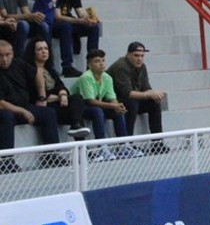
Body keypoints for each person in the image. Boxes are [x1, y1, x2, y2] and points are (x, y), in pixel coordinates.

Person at [0, 39, 64, 172]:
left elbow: (38, 74)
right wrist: (23, 111)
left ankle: (51, 156)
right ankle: (6, 162)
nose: (4, 59)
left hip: (23, 106)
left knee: (48, 113)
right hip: (7, 109)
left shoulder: (18, 63)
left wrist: (42, 97)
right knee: (6, 117)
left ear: (12, 53)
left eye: (7, 55)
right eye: (0, 56)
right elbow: (1, 103)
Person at [71, 49, 143, 161]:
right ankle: (102, 148)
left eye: (103, 61)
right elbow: (90, 101)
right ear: (89, 65)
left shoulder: (107, 77)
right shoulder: (86, 77)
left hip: (95, 105)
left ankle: (123, 146)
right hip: (79, 108)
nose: (101, 64)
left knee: (117, 111)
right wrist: (113, 106)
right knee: (97, 111)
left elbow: (112, 98)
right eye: (97, 61)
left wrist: (118, 106)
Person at [31, 0, 94, 77]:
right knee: (48, 34)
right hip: (42, 19)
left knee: (90, 26)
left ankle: (90, 63)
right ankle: (49, 66)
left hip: (50, 20)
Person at [23, 37, 89, 140]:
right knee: (74, 112)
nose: (44, 51)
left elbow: (61, 86)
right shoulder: (29, 71)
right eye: (39, 49)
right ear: (33, 52)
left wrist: (63, 95)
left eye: (46, 48)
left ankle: (77, 128)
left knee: (77, 99)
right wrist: (60, 97)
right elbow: (36, 95)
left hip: (58, 104)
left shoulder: (50, 70)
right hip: (45, 107)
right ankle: (79, 140)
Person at [106, 42, 168, 152]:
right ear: (128, 54)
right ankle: (127, 143)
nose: (139, 59)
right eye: (136, 55)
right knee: (131, 103)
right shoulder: (120, 66)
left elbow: (146, 87)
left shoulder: (142, 66)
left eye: (142, 56)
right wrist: (147, 94)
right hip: (114, 100)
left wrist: (154, 94)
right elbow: (126, 92)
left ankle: (157, 143)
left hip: (130, 98)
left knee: (154, 103)